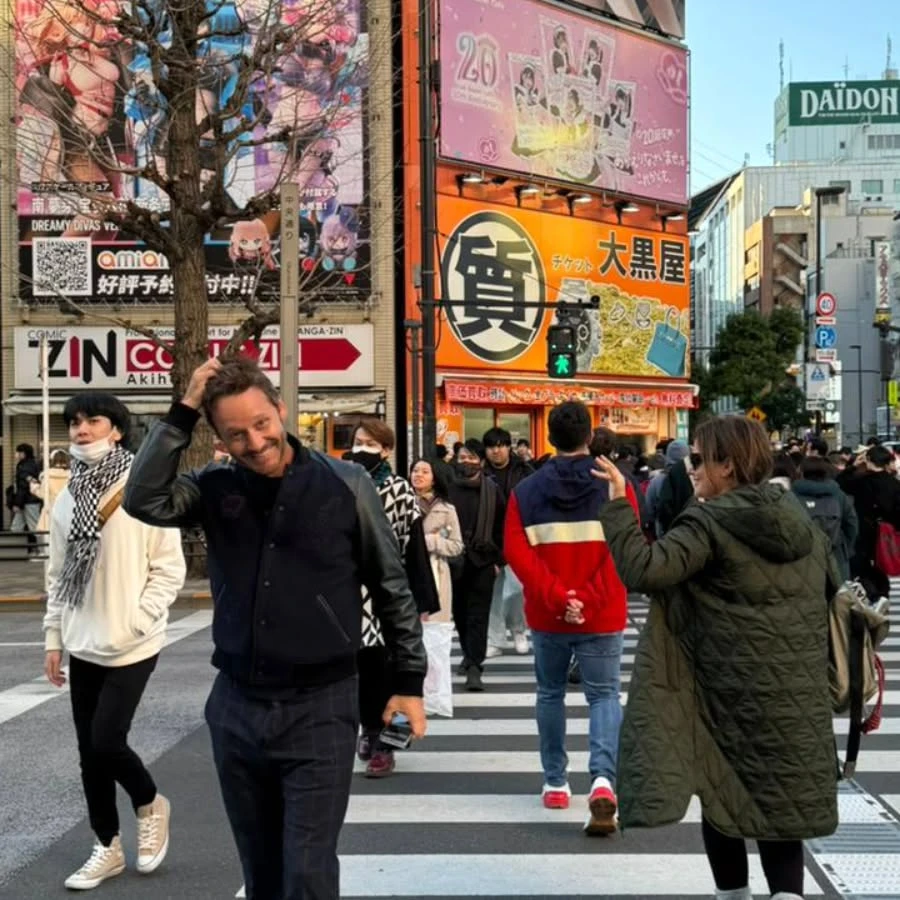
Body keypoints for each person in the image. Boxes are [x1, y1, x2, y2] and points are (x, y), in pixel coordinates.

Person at [122, 356, 427, 900]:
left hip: (322, 705)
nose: (255, 442)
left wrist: (408, 682)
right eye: (236, 434)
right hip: (236, 706)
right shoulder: (213, 486)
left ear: (281, 410)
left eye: (262, 424)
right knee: (261, 872)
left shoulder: (346, 483)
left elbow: (391, 586)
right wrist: (183, 410)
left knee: (307, 873)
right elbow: (143, 500)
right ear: (219, 438)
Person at [593, 416, 837, 900]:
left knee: (722, 797)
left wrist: (620, 504)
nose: (692, 469)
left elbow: (644, 570)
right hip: (793, 695)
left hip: (725, 695)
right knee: (780, 805)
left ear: (728, 465)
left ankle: (733, 895)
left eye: (700, 459)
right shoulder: (798, 521)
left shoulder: (708, 523)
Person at [43, 392, 186, 891]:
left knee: (106, 739)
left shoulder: (141, 488)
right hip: (83, 639)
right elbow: (57, 573)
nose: (82, 430)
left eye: (93, 421)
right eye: (75, 423)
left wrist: (139, 619)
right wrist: (54, 638)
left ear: (118, 430)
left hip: (132, 642)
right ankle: (106, 846)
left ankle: (149, 801)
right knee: (90, 753)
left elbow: (168, 568)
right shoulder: (67, 497)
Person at [504, 402, 637, 833]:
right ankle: (603, 779)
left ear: (549, 438)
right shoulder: (615, 484)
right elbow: (627, 547)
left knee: (550, 693)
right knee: (604, 695)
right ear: (589, 437)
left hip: (548, 614)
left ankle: (556, 782)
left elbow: (516, 552)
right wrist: (589, 599)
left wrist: (560, 598)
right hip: (603, 611)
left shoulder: (526, 491)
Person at [349, 417, 434, 779]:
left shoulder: (399, 489)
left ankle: (388, 745)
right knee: (362, 667)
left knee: (391, 667)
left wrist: (422, 599)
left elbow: (414, 547)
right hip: (350, 590)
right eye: (358, 442)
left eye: (371, 444)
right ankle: (370, 730)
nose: (361, 449)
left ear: (386, 451)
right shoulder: (342, 482)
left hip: (390, 589)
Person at [448, 439, 505, 691]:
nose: (467, 462)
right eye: (462, 457)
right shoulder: (447, 488)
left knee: (478, 616)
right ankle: (467, 653)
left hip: (484, 560)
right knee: (460, 613)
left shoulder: (493, 490)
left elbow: (503, 527)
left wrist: (499, 561)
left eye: (472, 457)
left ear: (481, 461)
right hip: (454, 561)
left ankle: (474, 666)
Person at [482, 427, 533, 657]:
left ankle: (518, 630)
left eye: (500, 445)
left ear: (508, 447)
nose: (496, 451)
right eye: (491, 447)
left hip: (518, 537)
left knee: (517, 589)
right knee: (493, 592)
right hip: (488, 540)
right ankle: (495, 639)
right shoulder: (480, 473)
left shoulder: (523, 471)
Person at [843, 444, 900, 602]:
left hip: (863, 530)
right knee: (882, 564)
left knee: (863, 566)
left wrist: (853, 466)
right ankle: (883, 594)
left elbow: (840, 482)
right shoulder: (894, 483)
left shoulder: (860, 481)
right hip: (887, 532)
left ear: (868, 460)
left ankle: (873, 595)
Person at [410, 458, 464, 620]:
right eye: (415, 471)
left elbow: (457, 545)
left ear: (434, 479)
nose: (418, 475)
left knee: (434, 624)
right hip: (408, 570)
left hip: (436, 570)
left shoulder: (447, 509)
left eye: (425, 472)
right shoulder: (403, 503)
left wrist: (431, 542)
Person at [792, 456, 858, 581]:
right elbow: (852, 523)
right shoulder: (838, 494)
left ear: (802, 472)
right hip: (835, 554)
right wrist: (846, 549)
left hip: (803, 559)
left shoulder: (792, 495)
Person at [34, 448, 71, 536]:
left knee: (50, 538)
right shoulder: (72, 476)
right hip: (69, 511)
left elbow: (42, 494)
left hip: (51, 510)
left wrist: (34, 488)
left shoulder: (47, 475)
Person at [10, 442, 43, 537]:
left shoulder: (25, 467)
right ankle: (22, 545)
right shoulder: (29, 464)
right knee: (16, 527)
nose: (16, 454)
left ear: (23, 453)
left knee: (35, 527)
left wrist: (17, 503)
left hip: (29, 501)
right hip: (28, 500)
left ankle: (43, 545)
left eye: (18, 452)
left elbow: (23, 486)